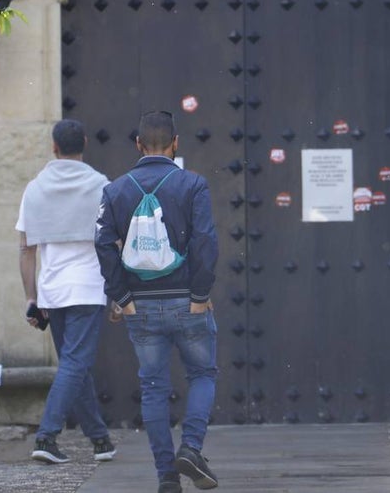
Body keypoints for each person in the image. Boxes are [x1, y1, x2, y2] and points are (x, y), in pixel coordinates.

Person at [96, 110, 219, 493]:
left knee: (152, 387)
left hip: (141, 305)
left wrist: (121, 297)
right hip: (187, 301)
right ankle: (191, 449)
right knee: (202, 374)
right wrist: (200, 295)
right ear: (175, 143)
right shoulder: (193, 184)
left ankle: (167, 476)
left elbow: (102, 244)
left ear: (138, 144)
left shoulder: (115, 190)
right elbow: (205, 242)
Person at [17, 118, 117, 464]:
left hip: (52, 290)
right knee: (75, 364)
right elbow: (114, 243)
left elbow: (26, 250)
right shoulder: (102, 187)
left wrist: (31, 298)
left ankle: (100, 440)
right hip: (88, 288)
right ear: (85, 143)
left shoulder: (34, 189)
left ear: (53, 147)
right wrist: (120, 291)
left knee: (75, 365)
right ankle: (46, 436)